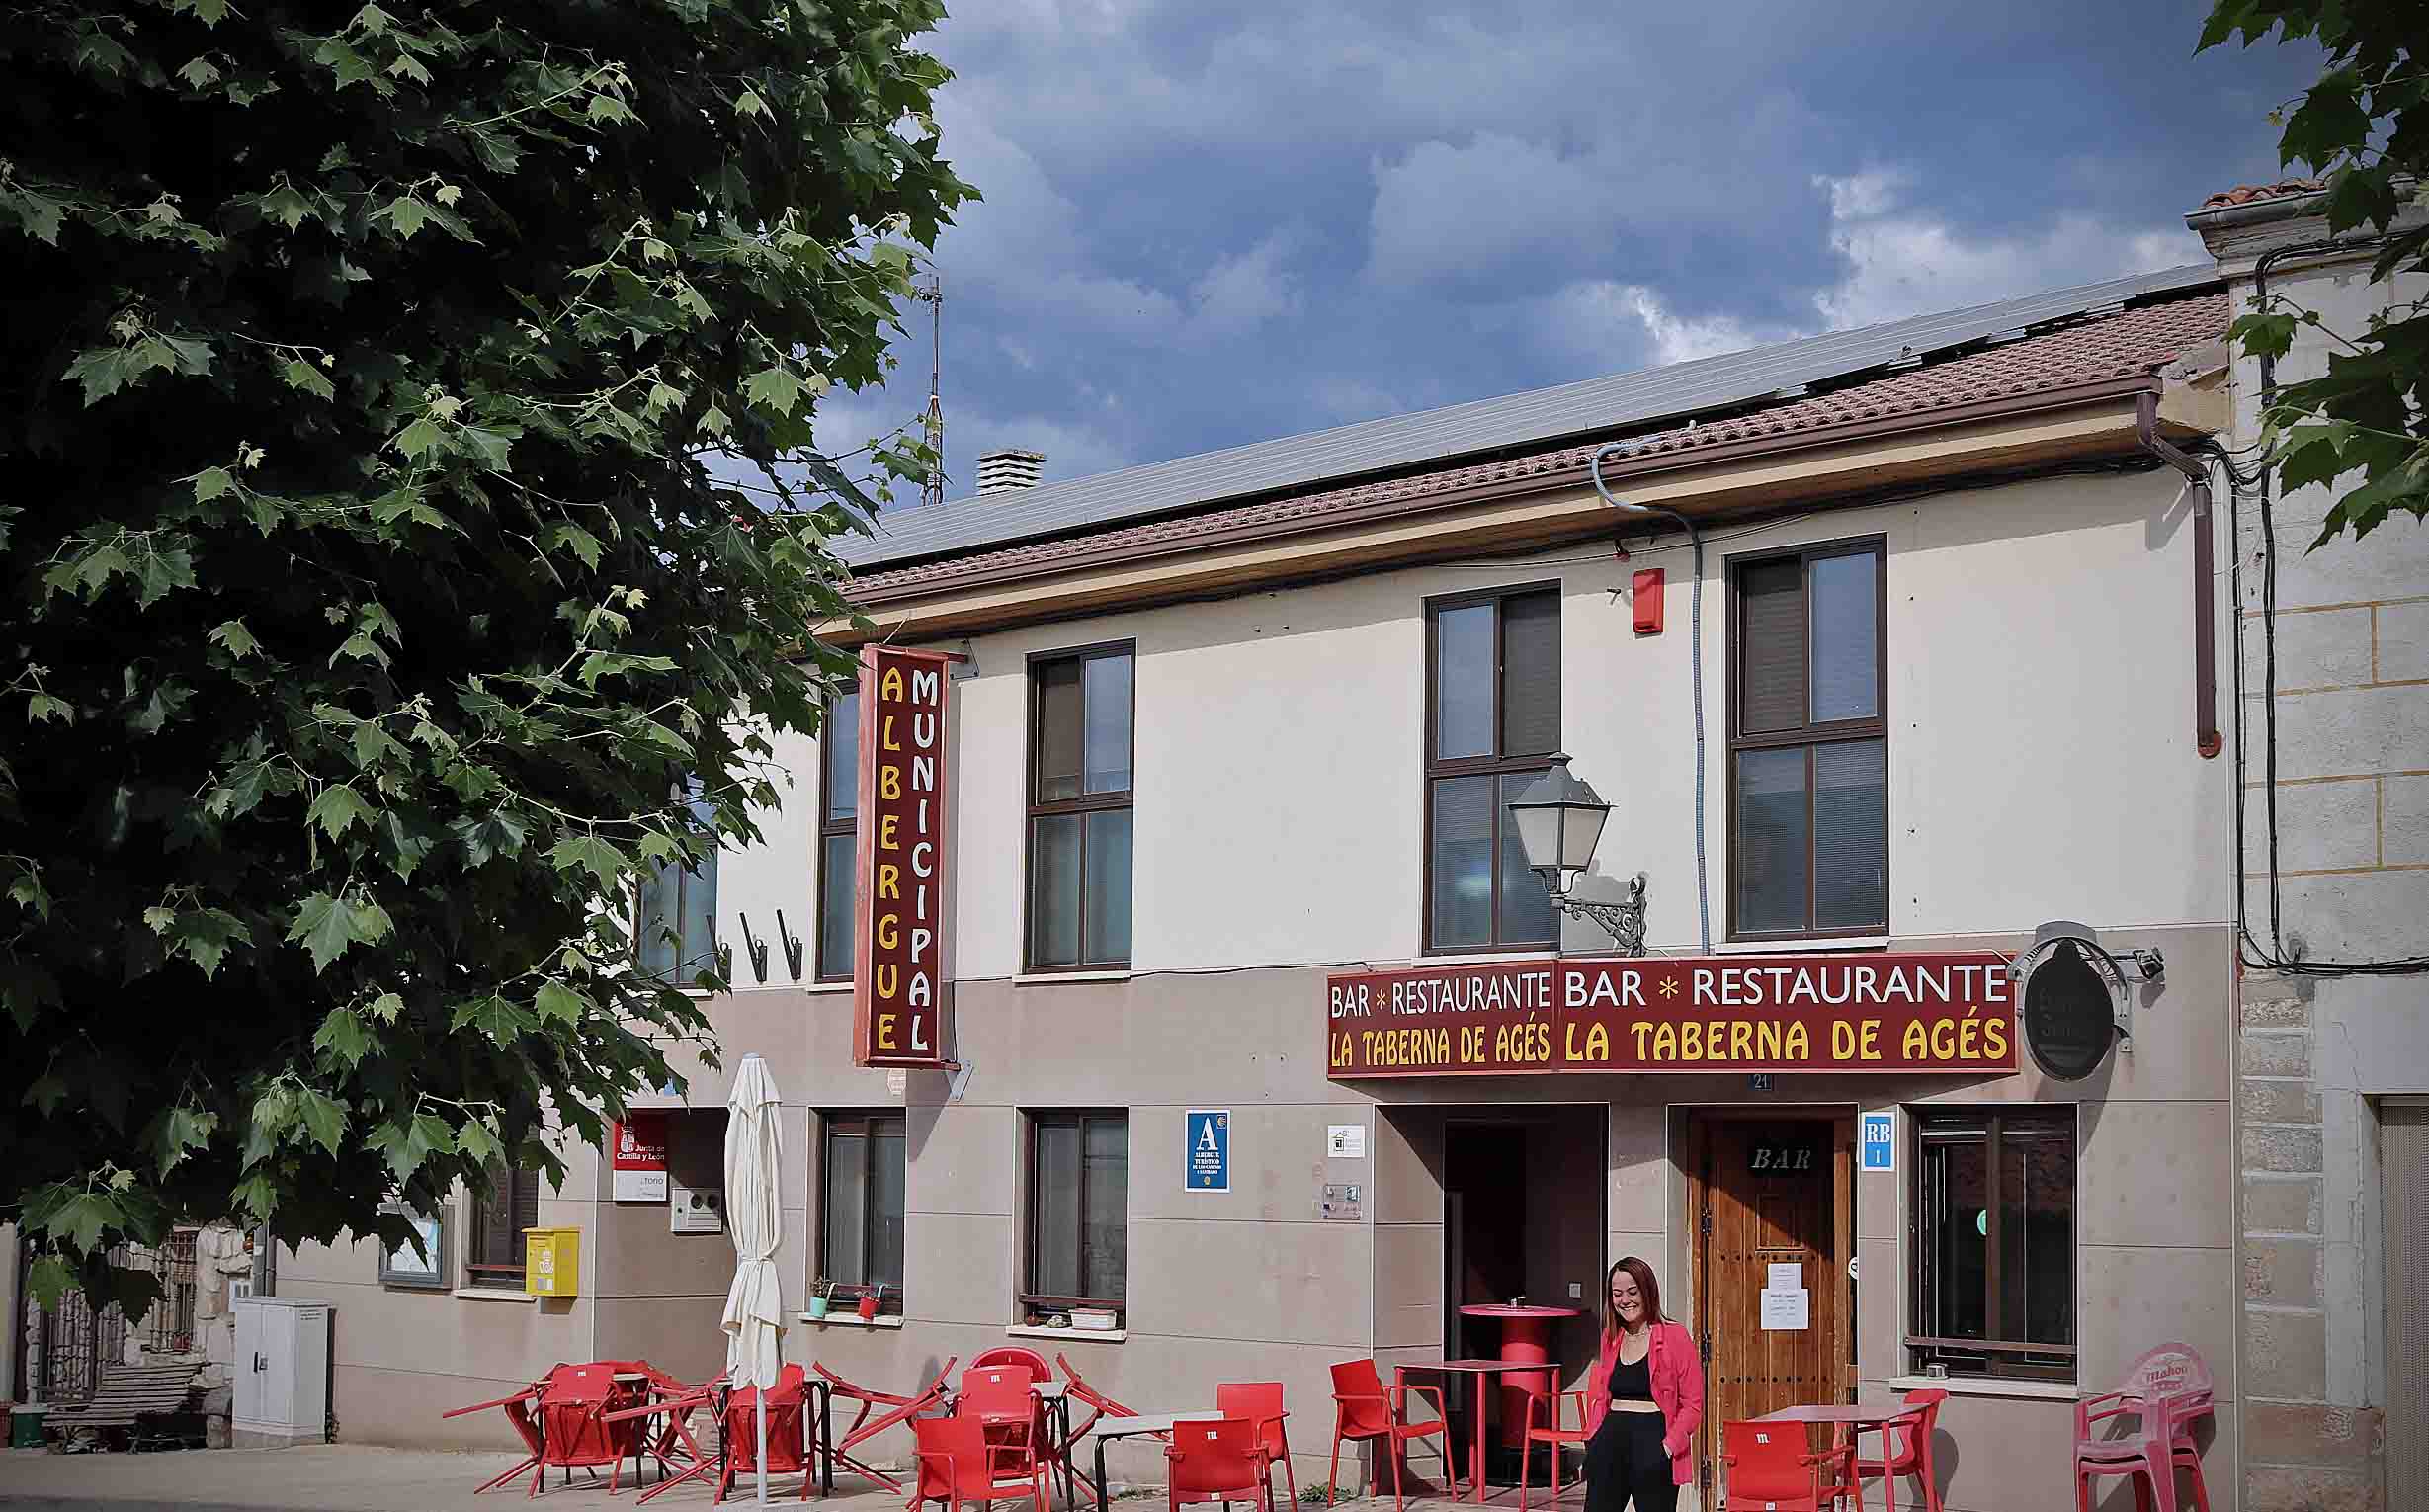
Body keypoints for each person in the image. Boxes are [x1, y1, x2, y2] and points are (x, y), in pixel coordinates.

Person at [1582, 1256, 1703, 1512]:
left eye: (1632, 1292)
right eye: (1616, 1294)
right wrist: (1593, 1441)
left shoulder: (1675, 1336)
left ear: (1648, 1291)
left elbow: (1693, 1405)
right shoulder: (1611, 1337)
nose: (1624, 1301)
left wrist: (1667, 1448)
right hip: (1609, 1442)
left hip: (1654, 1443)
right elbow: (1602, 1397)